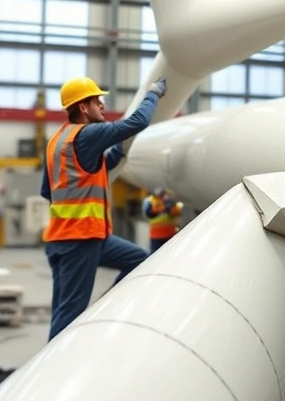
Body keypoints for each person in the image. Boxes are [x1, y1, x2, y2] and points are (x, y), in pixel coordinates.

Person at [41, 76, 166, 341]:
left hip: (72, 238)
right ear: (83, 108)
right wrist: (153, 94)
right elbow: (137, 122)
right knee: (67, 317)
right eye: (97, 100)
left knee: (138, 260)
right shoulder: (87, 134)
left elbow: (49, 189)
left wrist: (116, 156)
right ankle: (50, 371)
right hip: (80, 239)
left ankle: (101, 312)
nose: (102, 104)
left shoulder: (56, 141)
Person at [143, 187, 183, 253]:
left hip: (169, 234)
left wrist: (169, 206)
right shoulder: (150, 201)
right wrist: (161, 208)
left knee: (169, 254)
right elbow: (149, 213)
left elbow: (176, 212)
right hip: (156, 236)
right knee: (155, 255)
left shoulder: (169, 201)